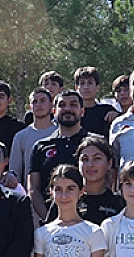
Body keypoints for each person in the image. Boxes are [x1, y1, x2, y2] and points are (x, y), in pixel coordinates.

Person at [28, 90, 91, 222]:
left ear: (82, 111)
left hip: (89, 219)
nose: (67, 109)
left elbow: (107, 180)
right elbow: (33, 188)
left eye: (73, 105)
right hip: (51, 223)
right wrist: (49, 218)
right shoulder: (40, 146)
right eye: (62, 105)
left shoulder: (95, 144)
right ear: (54, 111)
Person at [7, 87, 58, 187]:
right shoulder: (20, 136)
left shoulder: (60, 133)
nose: (38, 104)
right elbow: (15, 172)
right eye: (34, 101)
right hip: (31, 195)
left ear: (51, 105)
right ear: (30, 107)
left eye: (43, 101)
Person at [77, 136, 124, 225]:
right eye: (85, 159)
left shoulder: (119, 202)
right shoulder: (68, 199)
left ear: (109, 163)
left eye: (97, 158)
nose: (90, 164)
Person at [75, 66, 119, 136]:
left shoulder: (107, 111)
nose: (86, 87)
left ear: (98, 87)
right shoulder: (73, 112)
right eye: (82, 83)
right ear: (76, 87)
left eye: (90, 83)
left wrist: (116, 115)